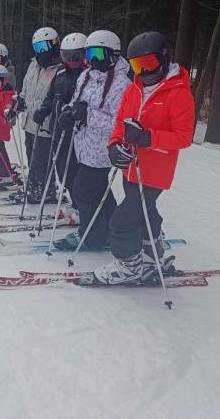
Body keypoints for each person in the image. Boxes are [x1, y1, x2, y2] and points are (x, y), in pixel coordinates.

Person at [77, 31, 195, 285]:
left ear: (164, 59)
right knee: (146, 213)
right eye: (137, 65)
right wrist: (114, 145)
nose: (143, 71)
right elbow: (121, 123)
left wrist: (148, 138)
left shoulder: (178, 93)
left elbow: (184, 137)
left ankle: (128, 265)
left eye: (148, 63)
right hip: (130, 168)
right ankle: (152, 256)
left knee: (123, 221)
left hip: (154, 172)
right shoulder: (134, 90)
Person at [53, 30, 130, 251]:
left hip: (104, 149)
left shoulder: (122, 84)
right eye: (89, 53)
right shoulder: (86, 76)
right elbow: (77, 102)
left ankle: (93, 236)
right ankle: (113, 231)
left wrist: (87, 115)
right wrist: (68, 113)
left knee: (83, 191)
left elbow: (119, 123)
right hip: (83, 146)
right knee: (98, 191)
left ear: (113, 54)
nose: (93, 59)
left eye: (99, 53)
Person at [29, 32, 89, 205]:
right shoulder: (61, 72)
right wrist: (44, 110)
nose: (71, 60)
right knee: (63, 173)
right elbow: (51, 96)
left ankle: (83, 206)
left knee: (77, 174)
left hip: (79, 134)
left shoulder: (89, 76)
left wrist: (75, 114)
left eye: (76, 56)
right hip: (58, 130)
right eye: (67, 56)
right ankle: (78, 204)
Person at [14, 27, 62, 201]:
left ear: (54, 44)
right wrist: (20, 101)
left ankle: (46, 189)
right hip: (30, 121)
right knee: (32, 157)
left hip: (45, 123)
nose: (41, 52)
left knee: (42, 159)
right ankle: (34, 186)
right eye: (37, 47)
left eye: (44, 46)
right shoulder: (34, 65)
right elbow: (26, 87)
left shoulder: (59, 69)